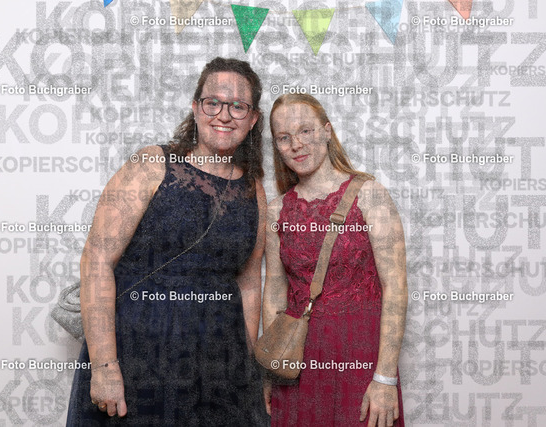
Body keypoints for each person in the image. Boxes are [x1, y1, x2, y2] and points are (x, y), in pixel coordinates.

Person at [66, 57, 268, 425]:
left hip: (217, 369)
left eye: (238, 106)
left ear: (253, 119)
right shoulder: (151, 164)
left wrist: (248, 370)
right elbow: (96, 261)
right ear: (195, 107)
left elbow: (249, 283)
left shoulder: (253, 188)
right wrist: (104, 365)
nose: (224, 115)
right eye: (213, 102)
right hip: (136, 355)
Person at [262, 93, 408, 427]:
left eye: (305, 131)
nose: (296, 144)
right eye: (284, 137)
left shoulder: (370, 194)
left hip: (361, 357)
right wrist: (272, 367)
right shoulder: (276, 210)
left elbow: (396, 287)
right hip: (296, 362)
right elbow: (274, 293)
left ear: (327, 131)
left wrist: (385, 377)